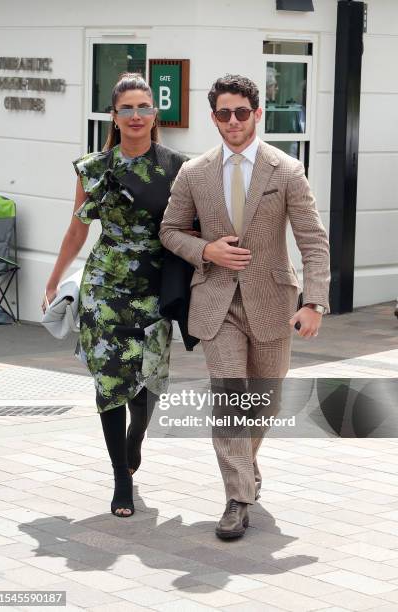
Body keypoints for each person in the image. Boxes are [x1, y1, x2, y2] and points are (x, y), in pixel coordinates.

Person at [159, 74, 330, 539]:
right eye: (222, 113)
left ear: (257, 113)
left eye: (240, 112)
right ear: (213, 117)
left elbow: (312, 241)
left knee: (266, 402)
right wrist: (206, 251)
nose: (232, 121)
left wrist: (314, 301)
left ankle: (246, 467)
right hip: (216, 302)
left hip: (273, 301)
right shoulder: (194, 172)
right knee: (231, 399)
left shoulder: (286, 170)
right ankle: (237, 497)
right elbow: (170, 230)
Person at [43, 73, 189, 518]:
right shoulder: (95, 168)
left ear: (154, 112)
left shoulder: (176, 167)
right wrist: (54, 279)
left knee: (147, 388)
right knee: (110, 386)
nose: (136, 115)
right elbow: (77, 229)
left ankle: (135, 440)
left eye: (143, 106)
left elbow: (190, 227)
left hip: (154, 289)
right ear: (115, 116)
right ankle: (120, 477)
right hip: (104, 289)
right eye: (127, 108)